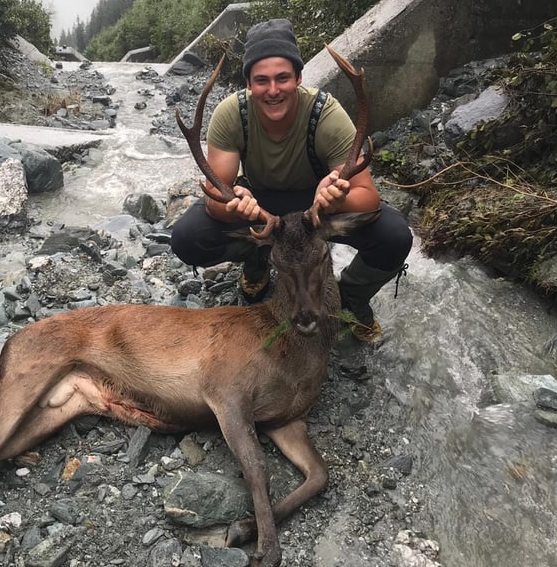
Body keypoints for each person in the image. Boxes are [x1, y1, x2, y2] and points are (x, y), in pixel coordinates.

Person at [170, 18, 412, 343]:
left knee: (394, 237)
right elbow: (216, 196)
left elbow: (368, 198)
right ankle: (257, 262)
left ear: (299, 77)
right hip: (259, 206)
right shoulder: (231, 115)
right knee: (188, 238)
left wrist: (336, 199)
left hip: (315, 208)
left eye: (283, 78)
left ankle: (351, 297)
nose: (273, 90)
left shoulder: (326, 115)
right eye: (262, 81)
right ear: (248, 84)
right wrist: (235, 204)